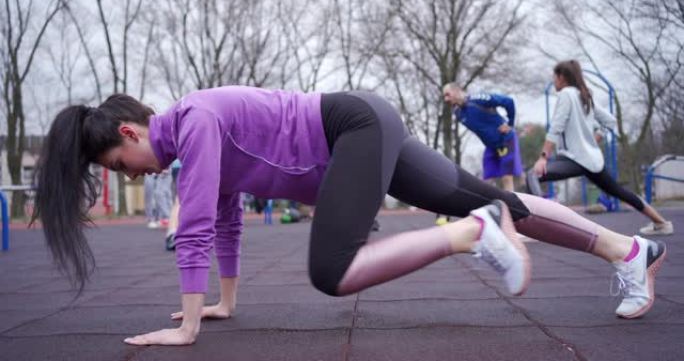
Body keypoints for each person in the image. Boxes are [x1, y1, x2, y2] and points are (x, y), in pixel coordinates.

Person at [31, 87, 666, 346]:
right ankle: (628, 252)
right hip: (365, 126)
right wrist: (222, 303)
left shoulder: (191, 122)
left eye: (118, 163)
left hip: (351, 128)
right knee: (507, 204)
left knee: (332, 271)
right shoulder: (191, 134)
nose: (128, 174)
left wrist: (188, 329)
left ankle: (471, 235)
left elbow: (192, 225)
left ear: (127, 131)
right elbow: (222, 222)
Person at [527, 60, 674, 236]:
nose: (554, 81)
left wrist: (543, 157)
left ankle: (537, 226)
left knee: (532, 175)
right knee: (619, 191)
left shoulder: (566, 94)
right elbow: (610, 121)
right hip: (591, 159)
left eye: (554, 77)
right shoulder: (584, 95)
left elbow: (556, 127)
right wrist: (595, 138)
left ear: (562, 77)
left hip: (575, 159)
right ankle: (661, 223)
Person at [442, 85, 523, 192]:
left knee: (506, 177)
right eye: (444, 96)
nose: (446, 99)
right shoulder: (457, 113)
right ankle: (488, 205)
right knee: (487, 180)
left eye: (448, 95)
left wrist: (510, 124)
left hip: (505, 140)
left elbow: (508, 101)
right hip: (490, 146)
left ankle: (513, 204)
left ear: (457, 91)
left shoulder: (479, 99)